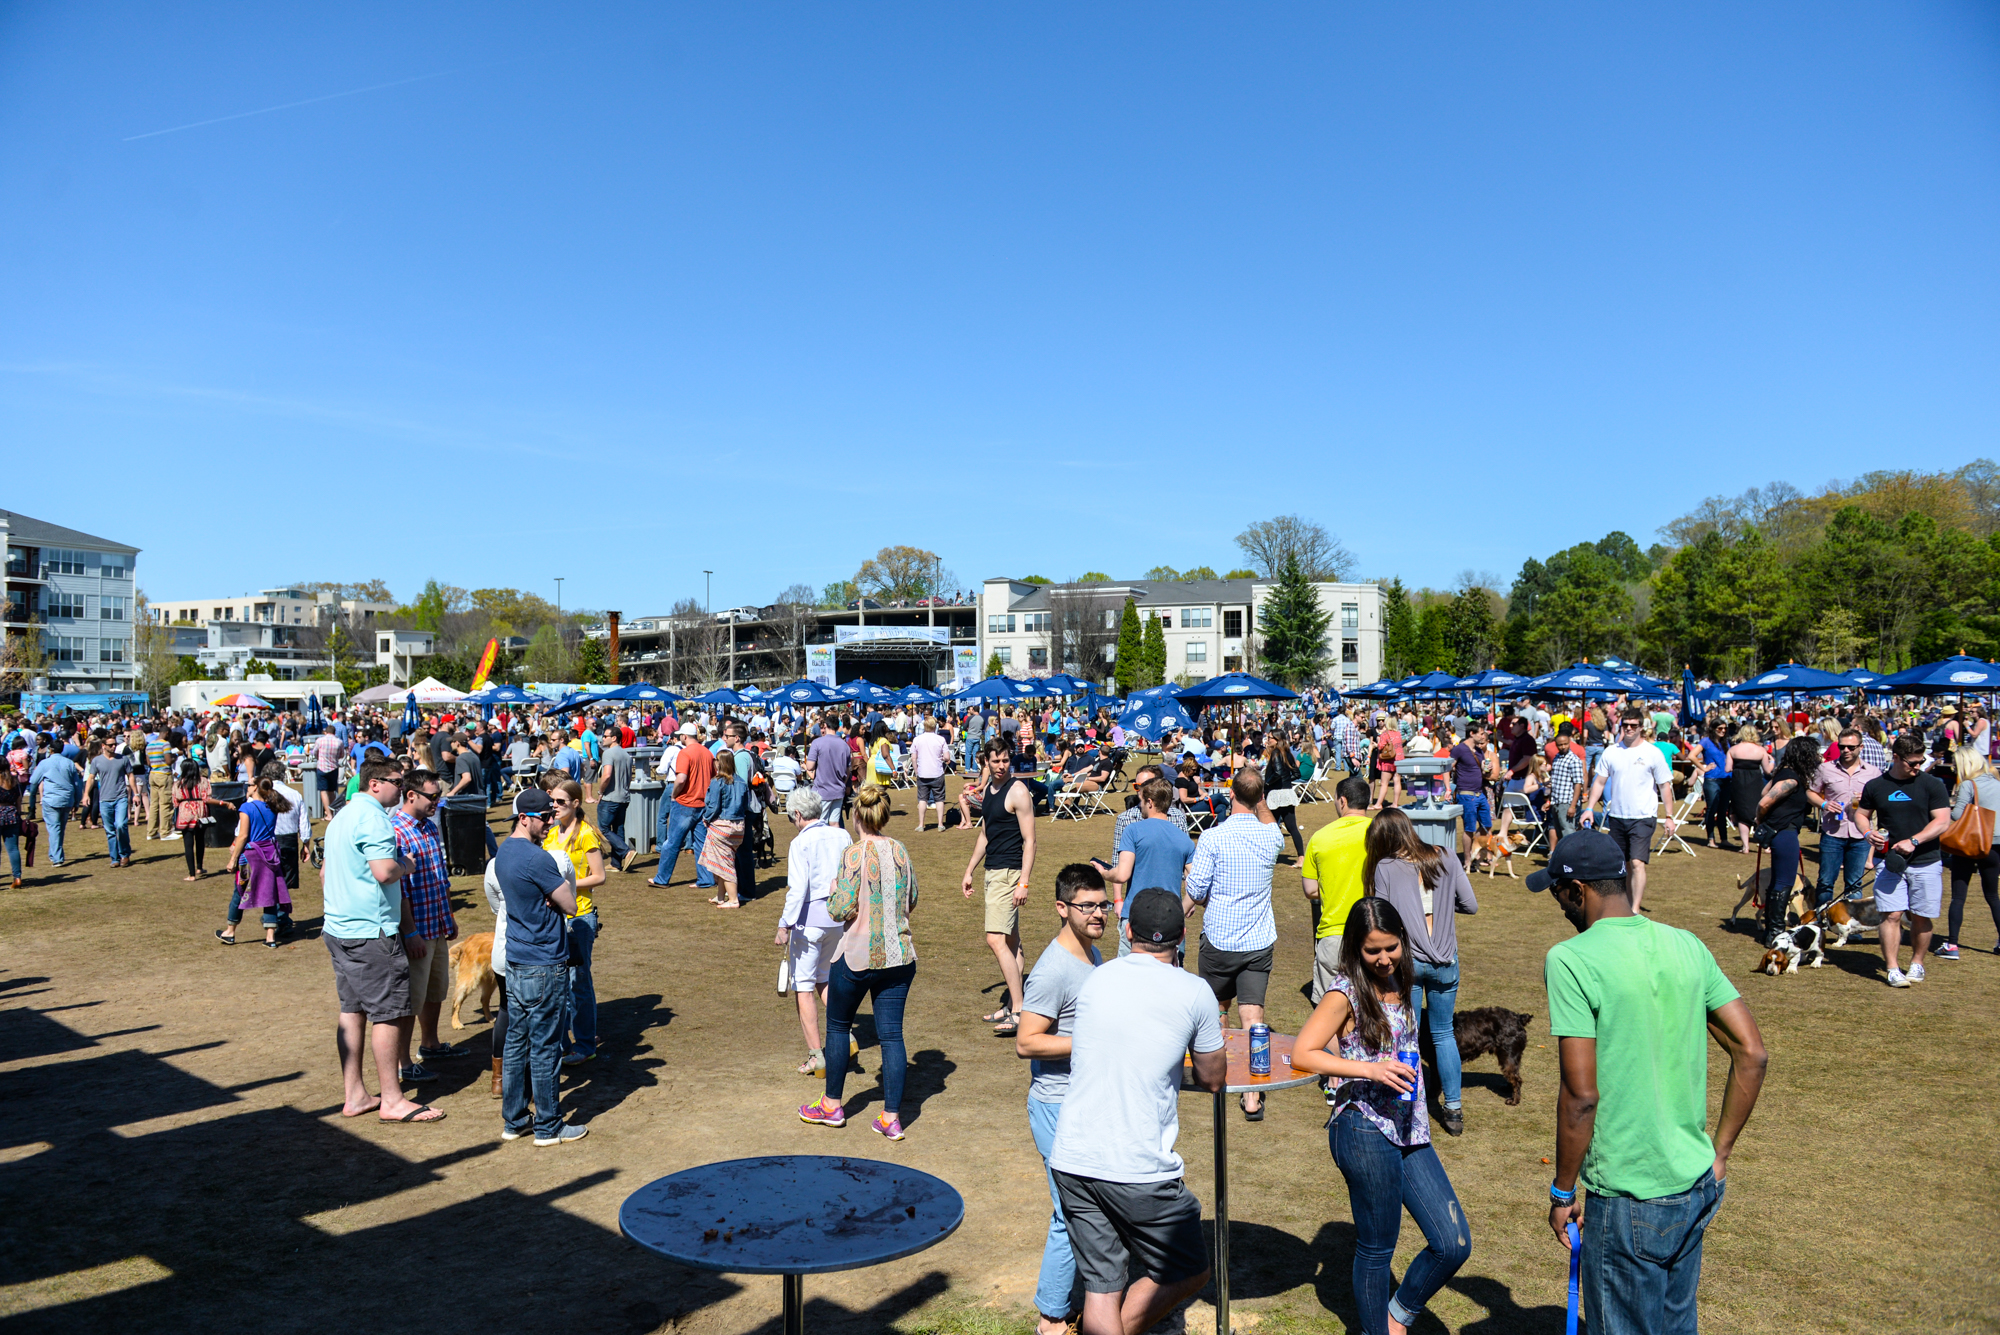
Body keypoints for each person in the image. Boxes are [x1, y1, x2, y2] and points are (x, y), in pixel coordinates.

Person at [1528, 833, 1767, 1335]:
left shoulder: (1570, 959)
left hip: (1627, 1196)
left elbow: (1580, 1096)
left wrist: (1562, 1192)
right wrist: (1720, 1153)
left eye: (1556, 892)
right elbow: (1752, 1051)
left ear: (1577, 890)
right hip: (1696, 1179)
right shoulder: (1686, 944)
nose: (1559, 904)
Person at [1046, 888, 1225, 1335]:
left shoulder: (1098, 979)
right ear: (1182, 937)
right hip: (1138, 1165)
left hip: (1073, 1157)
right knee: (1190, 1267)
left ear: (1128, 931)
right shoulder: (1195, 991)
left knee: (1102, 1288)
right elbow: (1213, 1077)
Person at [1291, 897, 1468, 1335]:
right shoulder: (1344, 992)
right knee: (1377, 1249)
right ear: (1356, 948)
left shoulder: (1400, 978)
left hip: (1408, 1126)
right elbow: (1303, 1052)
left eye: (1392, 947)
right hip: (1363, 1127)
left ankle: (1397, 1316)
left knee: (1453, 1243)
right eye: (1373, 951)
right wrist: (1369, 1068)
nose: (1384, 958)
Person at [1015, 863, 1110, 1335]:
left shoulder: (1093, 954)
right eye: (1087, 906)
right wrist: (1092, 1041)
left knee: (1091, 1207)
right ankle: (1051, 1320)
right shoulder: (1053, 970)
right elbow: (1027, 1042)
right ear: (1061, 907)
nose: (1098, 914)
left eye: (1103, 905)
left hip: (1085, 1104)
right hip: (1057, 1107)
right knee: (1069, 1211)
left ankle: (1084, 1301)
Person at [319, 758, 441, 1124]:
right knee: (389, 1014)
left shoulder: (341, 816)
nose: (401, 788)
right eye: (397, 781)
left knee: (352, 1011)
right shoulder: (374, 818)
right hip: (370, 932)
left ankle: (356, 1094)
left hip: (339, 929)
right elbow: (385, 871)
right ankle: (392, 1099)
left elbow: (325, 875)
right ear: (375, 784)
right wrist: (406, 864)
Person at [798, 784, 919, 1141]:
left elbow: (839, 909)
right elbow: (912, 898)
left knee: (837, 1027)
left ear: (856, 816)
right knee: (892, 1036)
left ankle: (832, 1105)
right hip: (899, 955)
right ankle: (891, 1117)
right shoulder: (900, 850)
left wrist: (834, 891)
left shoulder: (853, 854)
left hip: (858, 955)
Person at [1362, 807, 1479, 1136]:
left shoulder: (1386, 867)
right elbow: (1470, 904)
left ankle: (1408, 1102)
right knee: (1443, 1034)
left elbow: (1382, 919)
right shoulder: (1446, 856)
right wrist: (1443, 906)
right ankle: (1453, 1108)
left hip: (1409, 964)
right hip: (1446, 963)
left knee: (1407, 1033)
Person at [1184, 767, 1285, 1119]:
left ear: (1231, 795)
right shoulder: (1271, 836)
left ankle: (1220, 1074)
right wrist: (1261, 800)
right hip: (1258, 940)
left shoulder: (1213, 837)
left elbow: (1197, 890)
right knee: (1254, 1015)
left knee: (1218, 1011)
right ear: (1260, 798)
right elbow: (1269, 821)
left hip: (1220, 938)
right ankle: (1253, 1095)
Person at [493, 788, 587, 1145]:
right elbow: (571, 905)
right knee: (546, 1047)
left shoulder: (504, 852)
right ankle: (548, 1126)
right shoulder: (539, 859)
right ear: (524, 818)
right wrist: (554, 893)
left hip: (517, 961)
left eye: (553, 814)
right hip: (544, 963)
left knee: (516, 1043)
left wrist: (550, 895)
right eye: (545, 817)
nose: (551, 821)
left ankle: (515, 1120)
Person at [1853, 731, 1953, 986]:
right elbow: (1861, 814)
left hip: (1926, 861)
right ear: (1896, 757)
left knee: (1920, 915)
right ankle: (1892, 968)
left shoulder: (1932, 784)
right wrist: (1868, 833)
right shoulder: (1876, 786)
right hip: (1889, 862)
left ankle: (1917, 963)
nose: (1918, 767)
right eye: (1913, 762)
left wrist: (1914, 841)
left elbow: (1943, 821)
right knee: (1891, 915)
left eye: (1921, 761)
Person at [390, 770, 464, 1080]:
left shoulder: (430, 827)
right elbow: (400, 890)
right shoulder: (396, 831)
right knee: (411, 998)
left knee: (436, 989)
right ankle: (403, 1063)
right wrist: (410, 932)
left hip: (436, 923)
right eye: (433, 797)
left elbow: (440, 877)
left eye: (439, 796)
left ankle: (430, 1043)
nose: (437, 802)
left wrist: (449, 915)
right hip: (416, 929)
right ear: (411, 795)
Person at [961, 738, 1036, 1036]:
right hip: (992, 872)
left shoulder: (1017, 791)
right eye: (996, 761)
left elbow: (1030, 840)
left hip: (1009, 874)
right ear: (986, 762)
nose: (1001, 766)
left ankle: (1019, 1010)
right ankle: (1011, 1004)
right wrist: (969, 870)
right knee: (1012, 941)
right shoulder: (989, 791)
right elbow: (985, 833)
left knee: (995, 939)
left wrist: (1023, 882)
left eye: (1005, 760)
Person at [776, 787, 854, 1074]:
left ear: (798, 814)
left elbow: (797, 889)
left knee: (804, 987)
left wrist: (784, 925)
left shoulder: (800, 843)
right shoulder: (842, 835)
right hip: (838, 919)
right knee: (825, 979)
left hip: (809, 922)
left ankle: (816, 1056)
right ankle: (847, 1036)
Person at [1579, 706, 1678, 912]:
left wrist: (1669, 816)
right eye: (1626, 725)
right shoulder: (1611, 751)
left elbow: (1664, 786)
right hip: (1617, 816)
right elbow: (1599, 782)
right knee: (1621, 864)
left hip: (1643, 816)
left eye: (1634, 725)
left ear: (1642, 727)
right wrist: (1589, 808)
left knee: (1637, 863)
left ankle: (1634, 909)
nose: (1629, 729)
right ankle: (1624, 902)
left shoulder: (1653, 753)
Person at [545, 778, 606, 1062]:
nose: (555, 806)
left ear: (576, 803)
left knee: (578, 983)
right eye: (553, 801)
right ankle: (565, 1043)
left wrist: (565, 885)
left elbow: (599, 876)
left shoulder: (585, 834)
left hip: (580, 916)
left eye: (561, 802)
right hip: (554, 917)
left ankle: (584, 1045)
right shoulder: (550, 833)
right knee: (559, 984)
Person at [1300, 774, 1374, 1007]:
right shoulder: (1381, 832)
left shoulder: (1320, 837)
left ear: (1343, 801)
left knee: (1329, 1012)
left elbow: (1311, 890)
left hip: (1333, 933)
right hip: (1375, 931)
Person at [1106, 776, 1195, 959]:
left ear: (1150, 802)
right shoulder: (1184, 839)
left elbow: (1122, 874)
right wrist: (1181, 909)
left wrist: (1104, 873)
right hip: (1170, 918)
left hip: (1136, 916)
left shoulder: (1133, 831)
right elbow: (1197, 885)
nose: (1141, 807)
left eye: (1142, 802)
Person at [1752, 735, 1820, 944]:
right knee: (1784, 882)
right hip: (1784, 832)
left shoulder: (1785, 773)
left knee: (1778, 881)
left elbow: (1764, 790)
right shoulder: (1791, 779)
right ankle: (1775, 931)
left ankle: (1772, 930)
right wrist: (1761, 821)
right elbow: (1764, 802)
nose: (1817, 758)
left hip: (1782, 832)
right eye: (1813, 754)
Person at [215, 772, 293, 948]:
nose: (247, 787)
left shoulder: (246, 808)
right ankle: (270, 937)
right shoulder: (273, 807)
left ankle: (230, 931)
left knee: (239, 891)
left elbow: (243, 836)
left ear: (256, 787)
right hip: (270, 856)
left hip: (249, 858)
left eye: (249, 785)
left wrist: (233, 859)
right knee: (270, 894)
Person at [1942, 741, 2000, 959]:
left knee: (1958, 896)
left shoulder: (1969, 785)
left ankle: (1952, 945)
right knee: (1993, 895)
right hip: (1995, 846)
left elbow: (1957, 815)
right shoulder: (1997, 783)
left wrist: (1947, 808)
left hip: (1971, 844)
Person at [649, 722, 717, 890]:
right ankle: (706, 878)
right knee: (701, 843)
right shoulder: (708, 753)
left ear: (684, 736)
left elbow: (681, 779)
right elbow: (714, 777)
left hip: (685, 803)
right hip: (703, 804)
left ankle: (662, 878)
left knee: (672, 842)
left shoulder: (684, 753)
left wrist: (674, 795)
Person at [700, 751, 748, 909]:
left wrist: (706, 818)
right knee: (723, 860)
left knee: (725, 864)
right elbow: (745, 805)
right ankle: (720, 896)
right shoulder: (741, 782)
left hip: (722, 826)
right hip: (739, 827)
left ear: (719, 762)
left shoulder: (717, 781)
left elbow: (713, 806)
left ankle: (733, 899)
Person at [29, 744, 82, 869]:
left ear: (50, 750)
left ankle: (56, 857)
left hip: (51, 799)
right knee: (60, 828)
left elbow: (34, 780)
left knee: (54, 828)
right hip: (67, 798)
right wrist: (77, 801)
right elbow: (77, 784)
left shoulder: (44, 763)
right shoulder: (69, 763)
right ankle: (54, 854)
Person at [1447, 721, 1492, 857]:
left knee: (1487, 825)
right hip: (1466, 794)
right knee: (1469, 828)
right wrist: (1448, 789)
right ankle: (1467, 860)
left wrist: (1486, 770)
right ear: (1472, 733)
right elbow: (1446, 768)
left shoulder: (1479, 751)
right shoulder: (1459, 749)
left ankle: (1474, 849)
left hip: (1480, 793)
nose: (1483, 736)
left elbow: (1482, 772)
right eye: (1481, 734)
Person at [595, 722, 636, 873]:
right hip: (623, 797)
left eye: (605, 736)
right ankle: (615, 863)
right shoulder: (627, 755)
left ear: (614, 738)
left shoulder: (608, 753)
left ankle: (626, 851)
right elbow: (629, 778)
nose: (603, 739)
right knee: (618, 830)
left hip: (610, 798)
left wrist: (600, 792)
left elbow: (606, 775)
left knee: (604, 828)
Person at [1723, 725, 1770, 857]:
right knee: (1759, 813)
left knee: (1742, 815)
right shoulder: (1761, 750)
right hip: (1755, 783)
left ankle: (1745, 846)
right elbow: (1767, 770)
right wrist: (1772, 762)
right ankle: (1765, 845)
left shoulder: (1733, 749)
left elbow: (1727, 769)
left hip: (1738, 783)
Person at [804, 716, 853, 828]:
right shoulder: (844, 745)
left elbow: (810, 766)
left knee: (821, 822)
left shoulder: (817, 742)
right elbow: (848, 770)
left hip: (822, 790)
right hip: (838, 789)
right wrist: (843, 783)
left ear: (825, 725)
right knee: (835, 823)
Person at [907, 717, 951, 833]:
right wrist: (942, 758)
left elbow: (913, 757)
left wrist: (916, 770)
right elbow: (947, 757)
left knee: (922, 799)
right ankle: (940, 824)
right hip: (937, 772)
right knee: (939, 799)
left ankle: (921, 824)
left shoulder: (917, 739)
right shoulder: (940, 739)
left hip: (922, 773)